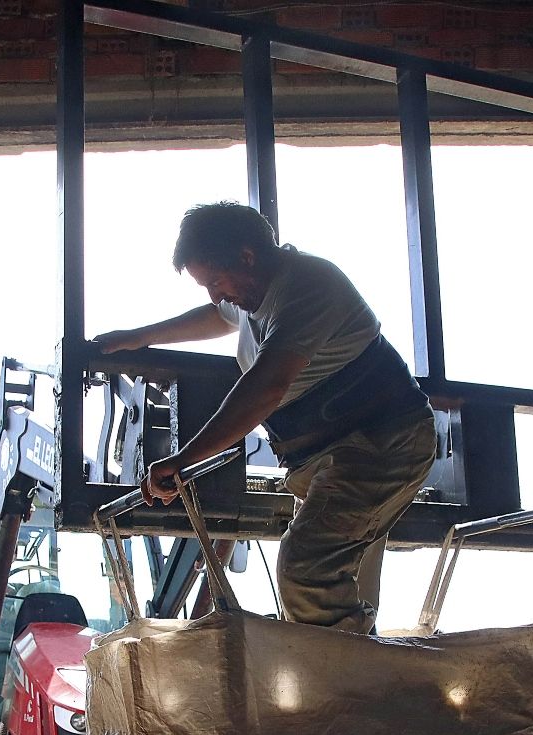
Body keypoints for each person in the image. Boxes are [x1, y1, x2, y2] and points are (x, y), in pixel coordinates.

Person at [95, 201, 436, 633]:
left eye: (215, 281)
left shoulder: (307, 286)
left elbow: (265, 388)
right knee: (332, 589)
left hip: (380, 444)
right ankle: (349, 675)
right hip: (331, 457)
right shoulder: (255, 293)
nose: (216, 294)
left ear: (247, 256)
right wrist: (139, 337)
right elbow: (216, 316)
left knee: (305, 570)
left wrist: (182, 460)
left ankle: (346, 684)